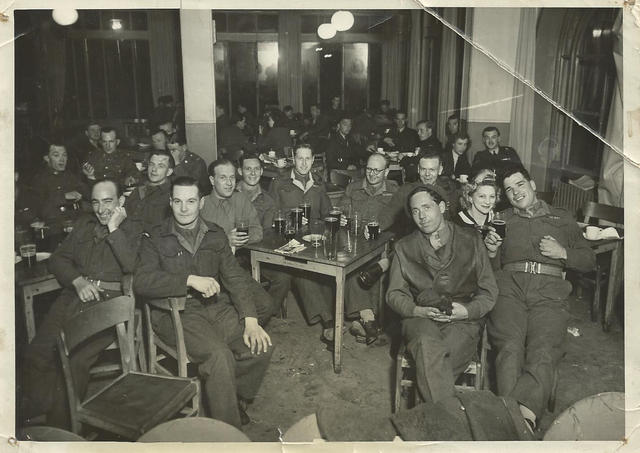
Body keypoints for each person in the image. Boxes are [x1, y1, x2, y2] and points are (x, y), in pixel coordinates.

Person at [134, 176, 273, 428]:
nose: (184, 208)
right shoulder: (154, 236)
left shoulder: (215, 234)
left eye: (190, 201)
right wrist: (188, 279)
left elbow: (235, 279)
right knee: (220, 356)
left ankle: (230, 397)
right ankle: (228, 436)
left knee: (261, 344)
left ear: (201, 203)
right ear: (170, 203)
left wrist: (251, 321)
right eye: (178, 201)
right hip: (177, 313)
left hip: (216, 309)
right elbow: (142, 281)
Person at [483, 166, 595, 432]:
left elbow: (589, 260)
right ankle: (519, 423)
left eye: (520, 185)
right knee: (509, 346)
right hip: (509, 287)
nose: (516, 193)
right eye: (509, 190)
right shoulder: (502, 219)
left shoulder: (562, 218)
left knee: (543, 347)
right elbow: (492, 269)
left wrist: (563, 252)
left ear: (532, 184)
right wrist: (491, 251)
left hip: (549, 291)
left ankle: (522, 416)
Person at [22, 179, 138, 428]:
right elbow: (58, 259)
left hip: (108, 306)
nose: (101, 208)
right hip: (74, 296)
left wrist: (114, 229)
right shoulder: (85, 226)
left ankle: (61, 430)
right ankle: (39, 415)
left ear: (120, 201)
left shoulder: (133, 229)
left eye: (108, 201)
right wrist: (77, 282)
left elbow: (132, 267)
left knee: (75, 361)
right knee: (38, 351)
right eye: (96, 202)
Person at [387, 184, 497, 405]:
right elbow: (394, 294)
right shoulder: (404, 247)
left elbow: (489, 292)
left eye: (426, 207)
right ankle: (446, 426)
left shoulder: (472, 240)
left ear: (442, 206)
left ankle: (426, 424)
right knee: (429, 348)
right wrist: (417, 310)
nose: (421, 216)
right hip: (420, 319)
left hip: (463, 322)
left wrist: (466, 312)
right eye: (415, 211)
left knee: (433, 364)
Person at [269, 145, 337, 343]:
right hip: (286, 241)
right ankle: (328, 322)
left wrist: (329, 221)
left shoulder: (317, 183)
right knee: (302, 269)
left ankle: (332, 315)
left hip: (312, 240)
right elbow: (271, 216)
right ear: (292, 158)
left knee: (328, 263)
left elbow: (327, 213)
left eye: (308, 159)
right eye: (300, 158)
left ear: (313, 159)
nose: (304, 163)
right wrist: (291, 219)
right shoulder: (279, 183)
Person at [340, 153, 399, 343]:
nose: (372, 174)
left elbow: (399, 221)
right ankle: (368, 318)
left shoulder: (394, 191)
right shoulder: (353, 188)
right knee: (349, 262)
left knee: (375, 266)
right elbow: (342, 211)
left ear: (387, 172)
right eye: (369, 169)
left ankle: (360, 320)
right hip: (355, 241)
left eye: (377, 170)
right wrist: (342, 217)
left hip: (381, 242)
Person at [237, 153, 293, 318]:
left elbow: (267, 233)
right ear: (240, 171)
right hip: (232, 251)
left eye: (256, 169)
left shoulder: (268, 201)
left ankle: (262, 316)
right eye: (248, 169)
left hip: (256, 251)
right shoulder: (230, 194)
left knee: (284, 278)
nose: (253, 173)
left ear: (262, 172)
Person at [379, 152, 460, 237]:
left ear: (440, 170)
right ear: (418, 169)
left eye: (432, 170)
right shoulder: (406, 190)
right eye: (423, 169)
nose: (427, 174)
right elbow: (390, 212)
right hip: (416, 240)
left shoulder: (449, 190)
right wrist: (377, 226)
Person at [200, 158, 263, 249]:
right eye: (223, 178)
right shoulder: (201, 204)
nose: (229, 183)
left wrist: (237, 239)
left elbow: (257, 232)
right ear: (212, 180)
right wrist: (225, 240)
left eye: (232, 177)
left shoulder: (241, 199)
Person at [32, 143, 88, 224]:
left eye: (64, 155)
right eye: (56, 155)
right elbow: (39, 209)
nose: (62, 159)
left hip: (75, 221)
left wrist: (90, 177)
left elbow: (89, 194)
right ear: (47, 158)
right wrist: (64, 196)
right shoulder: (40, 179)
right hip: (54, 225)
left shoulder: (70, 176)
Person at [124, 149, 174, 235]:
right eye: (151, 164)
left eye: (160, 166)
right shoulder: (139, 190)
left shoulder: (171, 196)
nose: (154, 169)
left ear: (169, 172)